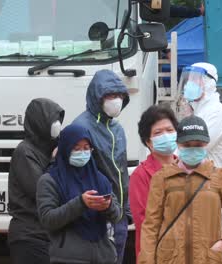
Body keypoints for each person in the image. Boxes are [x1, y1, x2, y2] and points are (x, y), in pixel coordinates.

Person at [139, 115, 222, 264]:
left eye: (198, 144)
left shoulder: (220, 177)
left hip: (207, 259)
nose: (193, 148)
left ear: (206, 144)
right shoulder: (162, 178)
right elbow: (151, 226)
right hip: (170, 259)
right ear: (178, 144)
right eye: (187, 144)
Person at [37, 123, 121, 264]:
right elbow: (48, 219)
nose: (82, 153)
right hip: (68, 257)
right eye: (76, 148)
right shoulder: (50, 180)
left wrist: (108, 205)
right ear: (65, 149)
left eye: (86, 148)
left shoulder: (100, 178)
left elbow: (117, 215)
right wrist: (81, 203)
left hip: (103, 256)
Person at [73, 69, 130, 264]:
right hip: (96, 216)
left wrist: (126, 210)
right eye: (110, 95)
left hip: (118, 216)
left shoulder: (117, 128)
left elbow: (121, 173)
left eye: (119, 95)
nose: (116, 100)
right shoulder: (82, 126)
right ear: (98, 97)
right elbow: (75, 173)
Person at [8, 98, 65, 264]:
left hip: (47, 234)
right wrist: (55, 161)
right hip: (29, 236)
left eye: (58, 120)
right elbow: (42, 191)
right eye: (52, 120)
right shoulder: (24, 152)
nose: (57, 125)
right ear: (40, 121)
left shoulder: (49, 148)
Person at [129, 106, 179, 260]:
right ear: (148, 142)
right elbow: (145, 222)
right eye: (158, 133)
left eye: (170, 130)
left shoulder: (188, 168)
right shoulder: (141, 175)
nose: (166, 135)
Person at [180, 62, 222, 170]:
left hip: (217, 180)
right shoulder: (198, 111)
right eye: (189, 79)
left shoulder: (218, 113)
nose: (189, 84)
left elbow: (194, 149)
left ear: (208, 83)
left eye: (195, 79)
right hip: (199, 177)